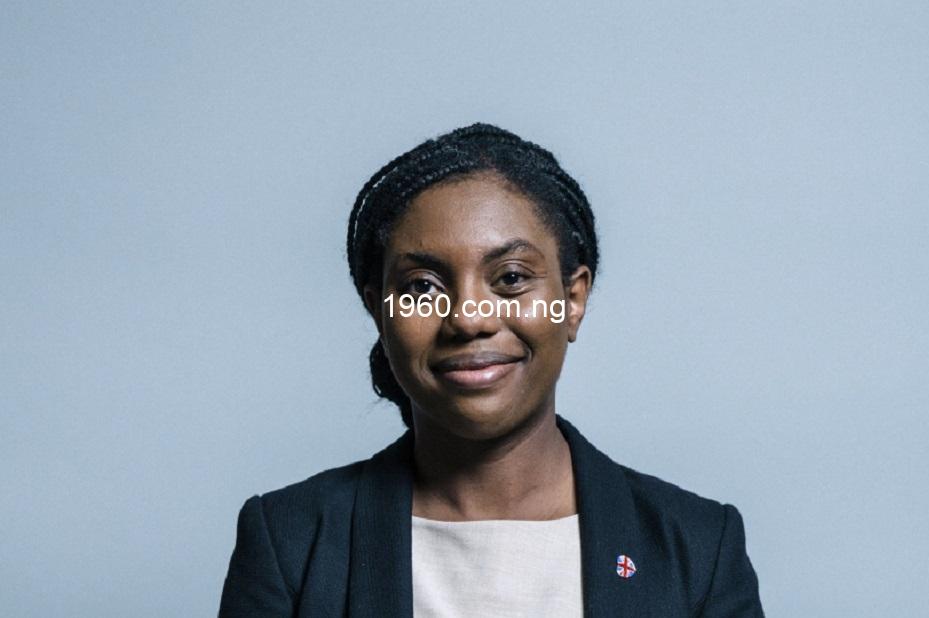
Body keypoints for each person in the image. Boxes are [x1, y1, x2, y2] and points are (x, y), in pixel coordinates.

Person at [218, 123, 765, 617]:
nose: (468, 318)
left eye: (511, 278)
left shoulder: (697, 549)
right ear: (379, 311)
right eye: (422, 287)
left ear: (573, 300)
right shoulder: (290, 544)